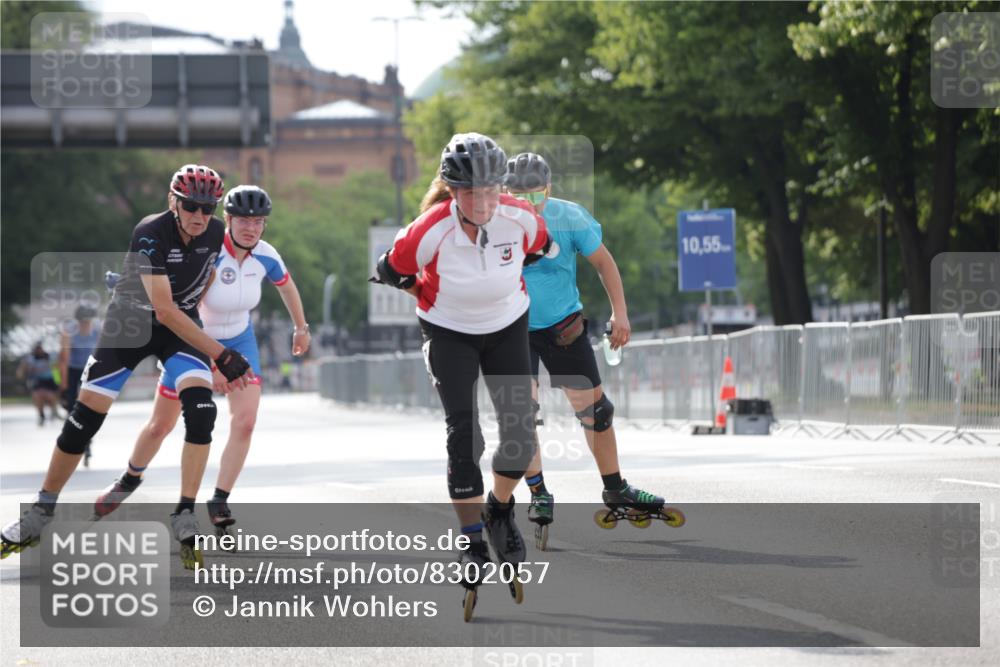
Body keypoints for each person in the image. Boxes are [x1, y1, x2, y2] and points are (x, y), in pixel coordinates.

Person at [0, 164, 253, 567]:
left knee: (202, 414)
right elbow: (164, 310)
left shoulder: (216, 234)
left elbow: (200, 283)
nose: (199, 216)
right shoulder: (149, 232)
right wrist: (221, 354)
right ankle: (40, 511)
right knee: (84, 420)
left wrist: (205, 334)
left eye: (208, 208)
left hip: (178, 326)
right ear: (174, 202)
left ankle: (184, 513)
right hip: (132, 323)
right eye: (191, 206)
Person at [372, 133, 549, 619]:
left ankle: (498, 508)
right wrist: (422, 290)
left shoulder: (520, 218)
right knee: (463, 434)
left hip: (508, 324)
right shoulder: (429, 229)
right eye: (472, 193)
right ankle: (472, 542)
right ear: (452, 192)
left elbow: (540, 249)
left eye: (492, 190)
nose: (485, 202)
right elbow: (389, 269)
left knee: (519, 431)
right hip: (448, 330)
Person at [93, 185, 310, 538]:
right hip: (193, 338)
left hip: (240, 340)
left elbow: (287, 286)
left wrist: (302, 328)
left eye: (258, 221)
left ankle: (220, 499)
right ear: (227, 220)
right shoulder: (210, 251)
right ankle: (130, 477)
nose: (250, 228)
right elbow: (185, 305)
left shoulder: (267, 255)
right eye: (242, 220)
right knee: (160, 426)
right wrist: (212, 361)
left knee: (246, 422)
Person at [503, 152, 683, 550]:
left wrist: (621, 314)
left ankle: (615, 488)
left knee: (596, 412)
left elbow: (604, 263)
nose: (526, 205)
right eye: (517, 197)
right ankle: (539, 493)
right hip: (512, 327)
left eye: (534, 197)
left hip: (563, 325)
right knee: (522, 413)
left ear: (548, 191)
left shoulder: (570, 217)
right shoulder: (495, 221)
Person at [59, 304, 100, 465]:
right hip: (73, 370)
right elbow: (64, 359)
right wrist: (64, 386)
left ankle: (88, 442)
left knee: (91, 408)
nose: (86, 325)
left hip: (91, 369)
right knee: (72, 408)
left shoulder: (98, 329)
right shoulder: (69, 331)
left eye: (88, 321)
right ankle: (72, 441)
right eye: (83, 322)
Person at [18, 342, 61, 427]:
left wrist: (58, 381)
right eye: (37, 350)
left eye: (40, 349)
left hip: (49, 380)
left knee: (50, 397)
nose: (39, 351)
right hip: (38, 380)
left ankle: (54, 410)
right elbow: (21, 372)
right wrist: (23, 371)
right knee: (37, 396)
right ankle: (41, 415)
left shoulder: (49, 357)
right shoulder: (30, 359)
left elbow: (57, 368)